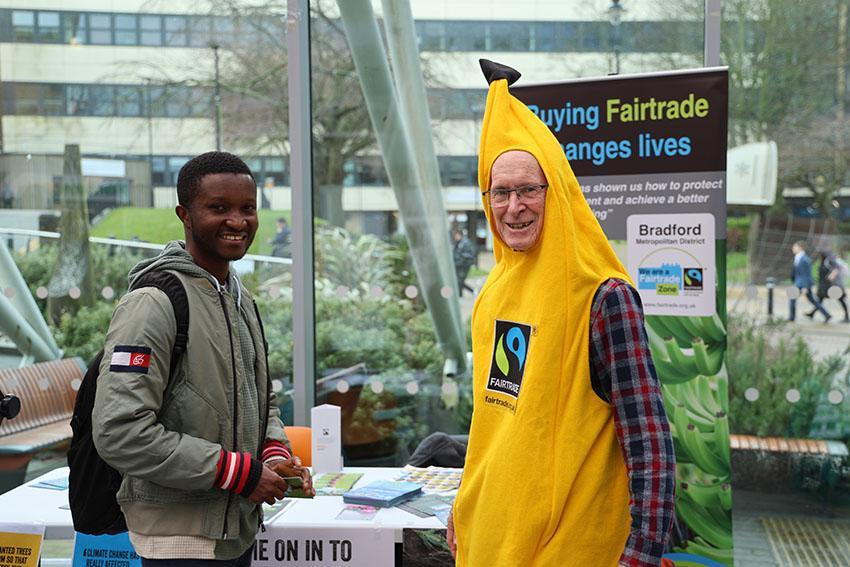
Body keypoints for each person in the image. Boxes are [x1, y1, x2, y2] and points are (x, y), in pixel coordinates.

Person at [448, 60, 675, 566]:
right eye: (499, 192)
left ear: (559, 192)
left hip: (573, 548)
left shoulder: (603, 297)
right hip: (491, 538)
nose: (513, 207)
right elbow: (493, 420)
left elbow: (649, 439)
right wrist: (464, 505)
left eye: (529, 189)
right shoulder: (494, 291)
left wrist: (641, 555)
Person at [93, 151, 314, 566]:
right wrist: (240, 474)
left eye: (247, 208)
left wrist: (274, 455)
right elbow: (120, 432)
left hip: (233, 533)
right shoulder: (152, 304)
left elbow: (257, 401)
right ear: (185, 215)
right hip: (178, 542)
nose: (237, 220)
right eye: (218, 208)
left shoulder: (239, 298)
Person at [789, 241, 830, 322]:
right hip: (798, 282)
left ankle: (791, 318)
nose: (793, 248)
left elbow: (806, 274)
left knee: (792, 299)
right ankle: (826, 314)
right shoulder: (797, 258)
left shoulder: (805, 259)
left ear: (800, 247)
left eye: (795, 247)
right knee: (813, 300)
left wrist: (805, 287)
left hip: (802, 284)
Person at [815, 250, 849, 323]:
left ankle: (846, 317)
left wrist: (830, 277)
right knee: (820, 300)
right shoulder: (826, 262)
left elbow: (836, 270)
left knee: (841, 300)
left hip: (834, 286)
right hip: (831, 285)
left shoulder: (830, 261)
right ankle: (814, 313)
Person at [452, 229, 476, 296]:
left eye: (456, 235)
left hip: (464, 266)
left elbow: (468, 255)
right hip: (458, 265)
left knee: (459, 281)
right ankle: (460, 294)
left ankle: (472, 291)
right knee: (458, 281)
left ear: (460, 235)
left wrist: (460, 260)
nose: (455, 237)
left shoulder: (466, 243)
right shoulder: (458, 243)